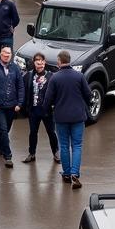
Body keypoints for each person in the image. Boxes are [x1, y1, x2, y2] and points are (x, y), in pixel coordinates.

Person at [43, 49, 92, 189]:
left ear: (59, 61)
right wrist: (83, 105)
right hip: (78, 116)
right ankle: (75, 174)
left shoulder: (55, 78)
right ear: (69, 60)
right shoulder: (79, 76)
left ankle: (66, 174)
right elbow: (88, 95)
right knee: (76, 146)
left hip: (61, 117)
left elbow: (48, 99)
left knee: (64, 146)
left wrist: (46, 111)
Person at [0, 45, 24, 167]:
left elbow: (20, 87)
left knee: (6, 130)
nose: (7, 55)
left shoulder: (16, 69)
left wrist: (19, 103)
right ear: (0, 54)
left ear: (11, 55)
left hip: (12, 106)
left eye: (9, 53)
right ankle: (8, 156)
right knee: (3, 129)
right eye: (4, 53)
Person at [22, 53, 60, 164]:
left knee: (51, 132)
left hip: (47, 111)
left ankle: (56, 152)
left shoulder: (51, 76)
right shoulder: (28, 76)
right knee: (33, 132)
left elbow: (56, 93)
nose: (40, 65)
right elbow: (23, 90)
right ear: (34, 63)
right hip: (33, 110)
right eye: (38, 63)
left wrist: (54, 105)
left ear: (45, 63)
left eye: (42, 63)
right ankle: (32, 153)